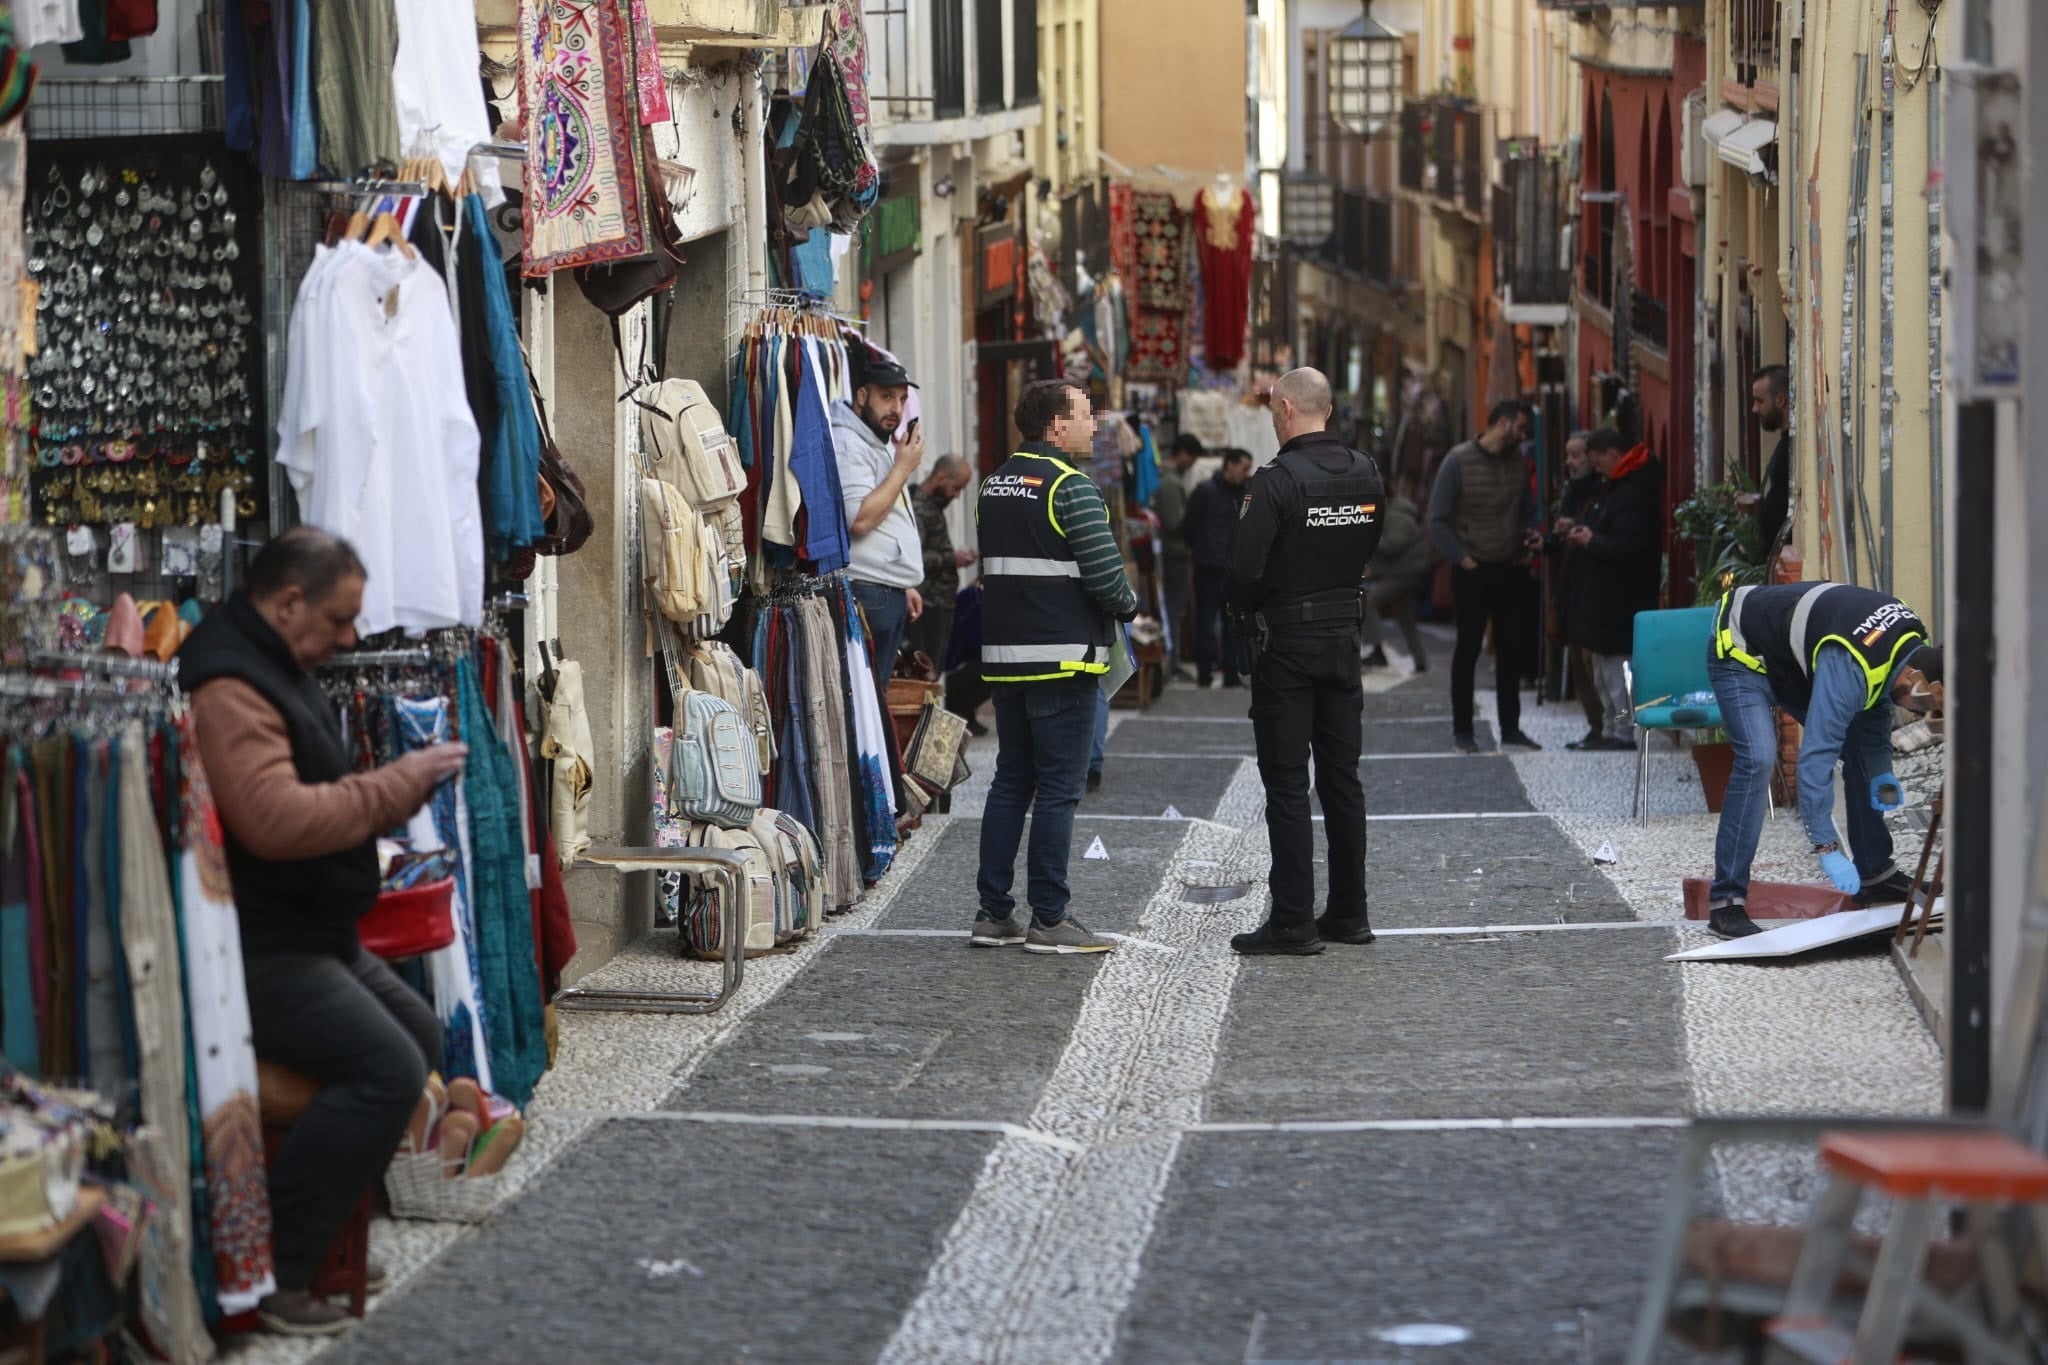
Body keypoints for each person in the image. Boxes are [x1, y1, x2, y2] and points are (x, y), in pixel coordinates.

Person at [177, 528, 469, 1336]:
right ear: (290, 600)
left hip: (308, 929)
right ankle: (281, 1268)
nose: (349, 638)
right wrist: (392, 787)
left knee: (417, 1031)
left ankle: (334, 1229)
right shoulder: (230, 684)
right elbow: (271, 819)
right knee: (385, 1066)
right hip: (261, 948)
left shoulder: (274, 660)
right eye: (340, 620)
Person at [971, 380, 1138, 954]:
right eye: (1087, 415)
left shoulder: (993, 484)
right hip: (1064, 661)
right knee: (1059, 792)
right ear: (1056, 426)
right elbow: (1108, 580)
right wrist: (1130, 606)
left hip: (1005, 661)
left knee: (1011, 781)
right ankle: (1050, 918)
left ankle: (993, 913)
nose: (1095, 425)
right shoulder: (1071, 487)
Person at [1224, 368, 1382, 956]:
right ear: (1329, 410)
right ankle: (1349, 912)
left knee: (1288, 783)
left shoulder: (1275, 480)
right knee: (1343, 781)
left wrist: (1250, 607)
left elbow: (1242, 570)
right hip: (1344, 638)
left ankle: (1293, 920)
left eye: (1272, 409)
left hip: (1286, 643)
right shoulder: (1366, 473)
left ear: (1286, 408)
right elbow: (1371, 544)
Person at [1705, 582, 1942, 938]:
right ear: (1914, 678)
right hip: (1742, 650)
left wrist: (1880, 773)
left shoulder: (1906, 647)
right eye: (1922, 705)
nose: (1917, 713)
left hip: (1790, 656)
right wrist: (1826, 846)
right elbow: (1816, 757)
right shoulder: (1850, 665)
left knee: (1860, 752)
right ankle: (1726, 901)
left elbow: (1876, 707)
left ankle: (1876, 873)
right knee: (1759, 758)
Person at [1429, 398, 1544, 753]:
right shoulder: (1458, 460)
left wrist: (1529, 539)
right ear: (1505, 423)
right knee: (1467, 650)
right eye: (1522, 427)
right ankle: (1462, 730)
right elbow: (1437, 518)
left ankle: (1511, 728)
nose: (1525, 435)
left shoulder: (1517, 464)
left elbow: (1529, 509)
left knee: (1511, 651)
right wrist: (1462, 558)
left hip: (1510, 568)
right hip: (1474, 569)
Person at [1556, 427, 1663, 751]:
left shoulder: (1631, 491)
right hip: (1608, 601)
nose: (1595, 467)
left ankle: (1622, 732)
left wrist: (1591, 540)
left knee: (1617, 671)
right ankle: (1611, 729)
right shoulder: (1619, 487)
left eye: (1597, 460)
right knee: (1605, 669)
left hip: (1621, 600)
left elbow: (1631, 548)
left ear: (1614, 455)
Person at [832, 352, 925, 690]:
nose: (897, 409)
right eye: (886, 397)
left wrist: (904, 582)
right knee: (868, 701)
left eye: (901, 399)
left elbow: (887, 512)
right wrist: (903, 467)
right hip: (869, 591)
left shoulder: (874, 440)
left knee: (875, 698)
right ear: (861, 396)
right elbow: (859, 519)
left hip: (884, 589)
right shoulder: (849, 444)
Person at [1549, 431, 1606, 744]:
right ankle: (1596, 726)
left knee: (1591, 659)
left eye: (1577, 456)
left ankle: (1607, 726)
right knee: (1579, 660)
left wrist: (1581, 530)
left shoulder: (1602, 490)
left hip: (1593, 585)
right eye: (1568, 456)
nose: (1570, 462)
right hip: (1571, 583)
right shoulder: (1571, 490)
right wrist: (1551, 538)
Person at [1183, 448, 1253, 688]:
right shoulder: (1205, 491)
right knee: (1205, 622)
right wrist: (1202, 550)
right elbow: (1189, 526)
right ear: (1229, 465)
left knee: (1232, 625)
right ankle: (1205, 674)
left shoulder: (1245, 494)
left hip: (1233, 570)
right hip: (1208, 568)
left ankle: (1231, 676)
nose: (1246, 474)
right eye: (1244, 468)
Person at [1360, 463, 1429, 671]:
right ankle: (1421, 661)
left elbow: (1392, 545)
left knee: (1369, 603)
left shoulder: (1398, 512)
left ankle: (1377, 651)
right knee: (1406, 619)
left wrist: (1369, 536)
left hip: (1404, 572)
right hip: (1403, 571)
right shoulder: (1389, 509)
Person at [911, 453, 975, 670]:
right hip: (927, 604)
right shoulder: (918, 508)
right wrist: (951, 558)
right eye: (956, 488)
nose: (956, 496)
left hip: (939, 604)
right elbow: (914, 557)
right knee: (925, 674)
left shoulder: (932, 506)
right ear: (941, 477)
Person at [1155, 433, 1202, 678]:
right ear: (1183, 453)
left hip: (1173, 553)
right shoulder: (1170, 483)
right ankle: (1171, 663)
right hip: (1174, 554)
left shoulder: (1169, 479)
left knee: (1174, 610)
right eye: (1192, 458)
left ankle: (1172, 662)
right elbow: (1175, 522)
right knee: (1173, 610)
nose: (1192, 464)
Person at [1746, 364, 1792, 555]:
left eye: (1759, 401)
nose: (1754, 409)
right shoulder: (1786, 445)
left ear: (1780, 399)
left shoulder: (1790, 450)